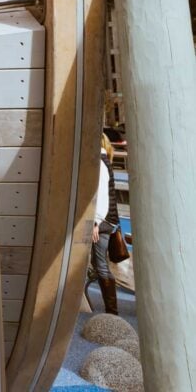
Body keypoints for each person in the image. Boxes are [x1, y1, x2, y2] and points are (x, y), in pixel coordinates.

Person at [90, 132, 121, 315]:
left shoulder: (99, 163)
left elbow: (101, 196)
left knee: (101, 265)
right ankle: (111, 310)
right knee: (98, 263)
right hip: (105, 220)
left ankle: (112, 311)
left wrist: (95, 222)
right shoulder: (103, 161)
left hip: (102, 221)